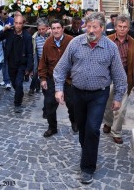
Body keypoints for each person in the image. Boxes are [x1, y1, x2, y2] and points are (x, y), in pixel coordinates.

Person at [54, 12, 127, 184]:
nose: (91, 29)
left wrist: (117, 98)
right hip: (77, 93)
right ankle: (88, 150)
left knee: (93, 129)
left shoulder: (110, 48)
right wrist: (58, 89)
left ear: (102, 28)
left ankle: (87, 167)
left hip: (99, 94)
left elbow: (119, 76)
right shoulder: (75, 43)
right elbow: (60, 68)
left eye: (95, 27)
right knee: (82, 128)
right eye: (89, 26)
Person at [38, 19, 74, 137]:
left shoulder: (71, 41)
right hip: (52, 78)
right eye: (54, 28)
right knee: (49, 103)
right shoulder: (48, 43)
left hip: (69, 79)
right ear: (50, 29)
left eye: (58, 28)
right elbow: (43, 62)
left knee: (73, 104)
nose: (56, 30)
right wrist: (43, 78)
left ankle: (75, 122)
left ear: (63, 29)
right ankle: (52, 127)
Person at [103, 14, 134, 144]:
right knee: (108, 105)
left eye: (125, 27)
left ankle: (116, 131)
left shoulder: (132, 43)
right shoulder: (107, 40)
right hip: (109, 78)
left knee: (121, 109)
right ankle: (108, 123)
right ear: (115, 27)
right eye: (120, 26)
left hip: (125, 79)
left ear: (128, 28)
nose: (122, 29)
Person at [0, 14, 34, 113]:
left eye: (20, 23)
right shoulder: (9, 32)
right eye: (16, 23)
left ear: (23, 24)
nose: (18, 25)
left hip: (22, 64)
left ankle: (17, 104)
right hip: (11, 63)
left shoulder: (27, 36)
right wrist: (4, 29)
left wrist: (29, 68)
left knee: (19, 84)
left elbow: (30, 53)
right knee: (14, 84)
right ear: (13, 23)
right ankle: (19, 94)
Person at [28, 17, 51, 96]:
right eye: (39, 29)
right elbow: (33, 48)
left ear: (48, 28)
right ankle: (32, 87)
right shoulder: (35, 37)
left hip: (48, 59)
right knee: (35, 73)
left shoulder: (50, 36)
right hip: (38, 58)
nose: (41, 31)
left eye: (43, 29)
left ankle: (46, 88)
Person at [0, 5, 14, 91]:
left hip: (8, 45)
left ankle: (7, 81)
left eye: (8, 13)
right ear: (0, 14)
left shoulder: (11, 20)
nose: (7, 15)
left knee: (6, 62)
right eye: (5, 13)